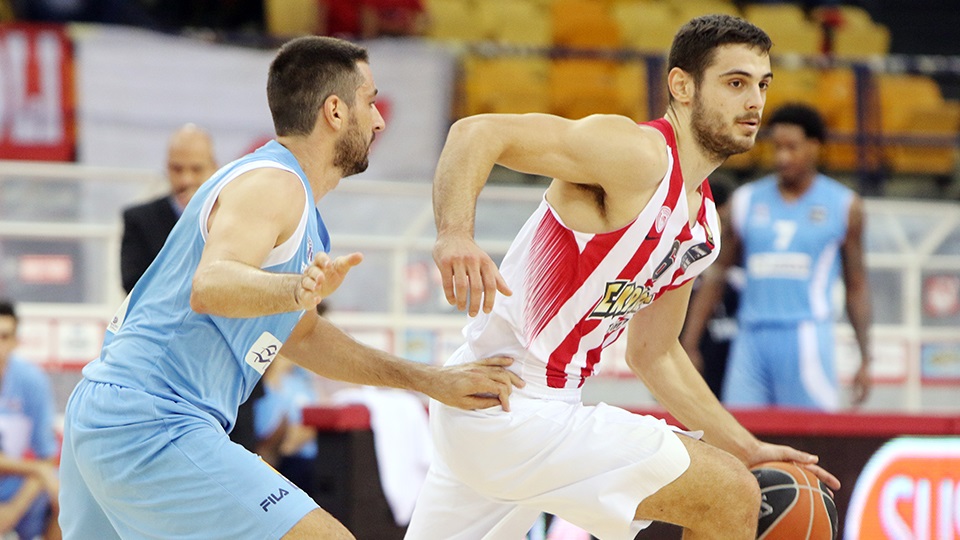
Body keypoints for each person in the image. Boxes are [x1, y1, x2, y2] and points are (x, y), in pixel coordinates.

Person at [58, 36, 522, 540]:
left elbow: (304, 337)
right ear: (335, 111)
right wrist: (294, 290)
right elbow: (210, 285)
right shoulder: (274, 184)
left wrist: (431, 381)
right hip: (152, 416)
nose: (379, 120)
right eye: (370, 102)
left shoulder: (295, 209)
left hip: (110, 411)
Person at [405, 14, 840, 540]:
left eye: (762, 85)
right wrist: (454, 234)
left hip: (505, 412)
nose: (754, 102)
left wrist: (747, 447)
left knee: (732, 478)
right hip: (511, 402)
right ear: (682, 86)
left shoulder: (703, 228)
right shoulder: (637, 155)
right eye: (735, 83)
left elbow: (655, 354)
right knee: (729, 494)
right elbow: (476, 132)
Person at [684, 103, 872, 411]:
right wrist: (690, 344)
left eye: (792, 147)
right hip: (751, 339)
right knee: (739, 433)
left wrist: (866, 358)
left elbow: (857, 285)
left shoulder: (844, 206)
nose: (782, 157)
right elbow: (716, 275)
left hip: (806, 336)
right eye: (777, 147)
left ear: (815, 147)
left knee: (812, 434)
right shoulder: (745, 201)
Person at [120, 123, 218, 293]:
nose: (186, 180)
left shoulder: (229, 218)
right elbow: (133, 284)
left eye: (196, 169)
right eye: (177, 169)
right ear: (167, 167)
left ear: (214, 168)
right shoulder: (139, 220)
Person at [0, 300, 61, 540]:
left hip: (15, 485)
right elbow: (40, 466)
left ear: (16, 340)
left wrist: (13, 509)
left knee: (63, 493)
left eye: (4, 337)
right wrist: (37, 469)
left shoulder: (32, 381)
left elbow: (47, 458)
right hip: (25, 472)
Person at [680, 176, 743, 398]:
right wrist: (688, 347)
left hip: (731, 366)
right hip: (694, 362)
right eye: (723, 222)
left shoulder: (741, 265)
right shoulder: (683, 265)